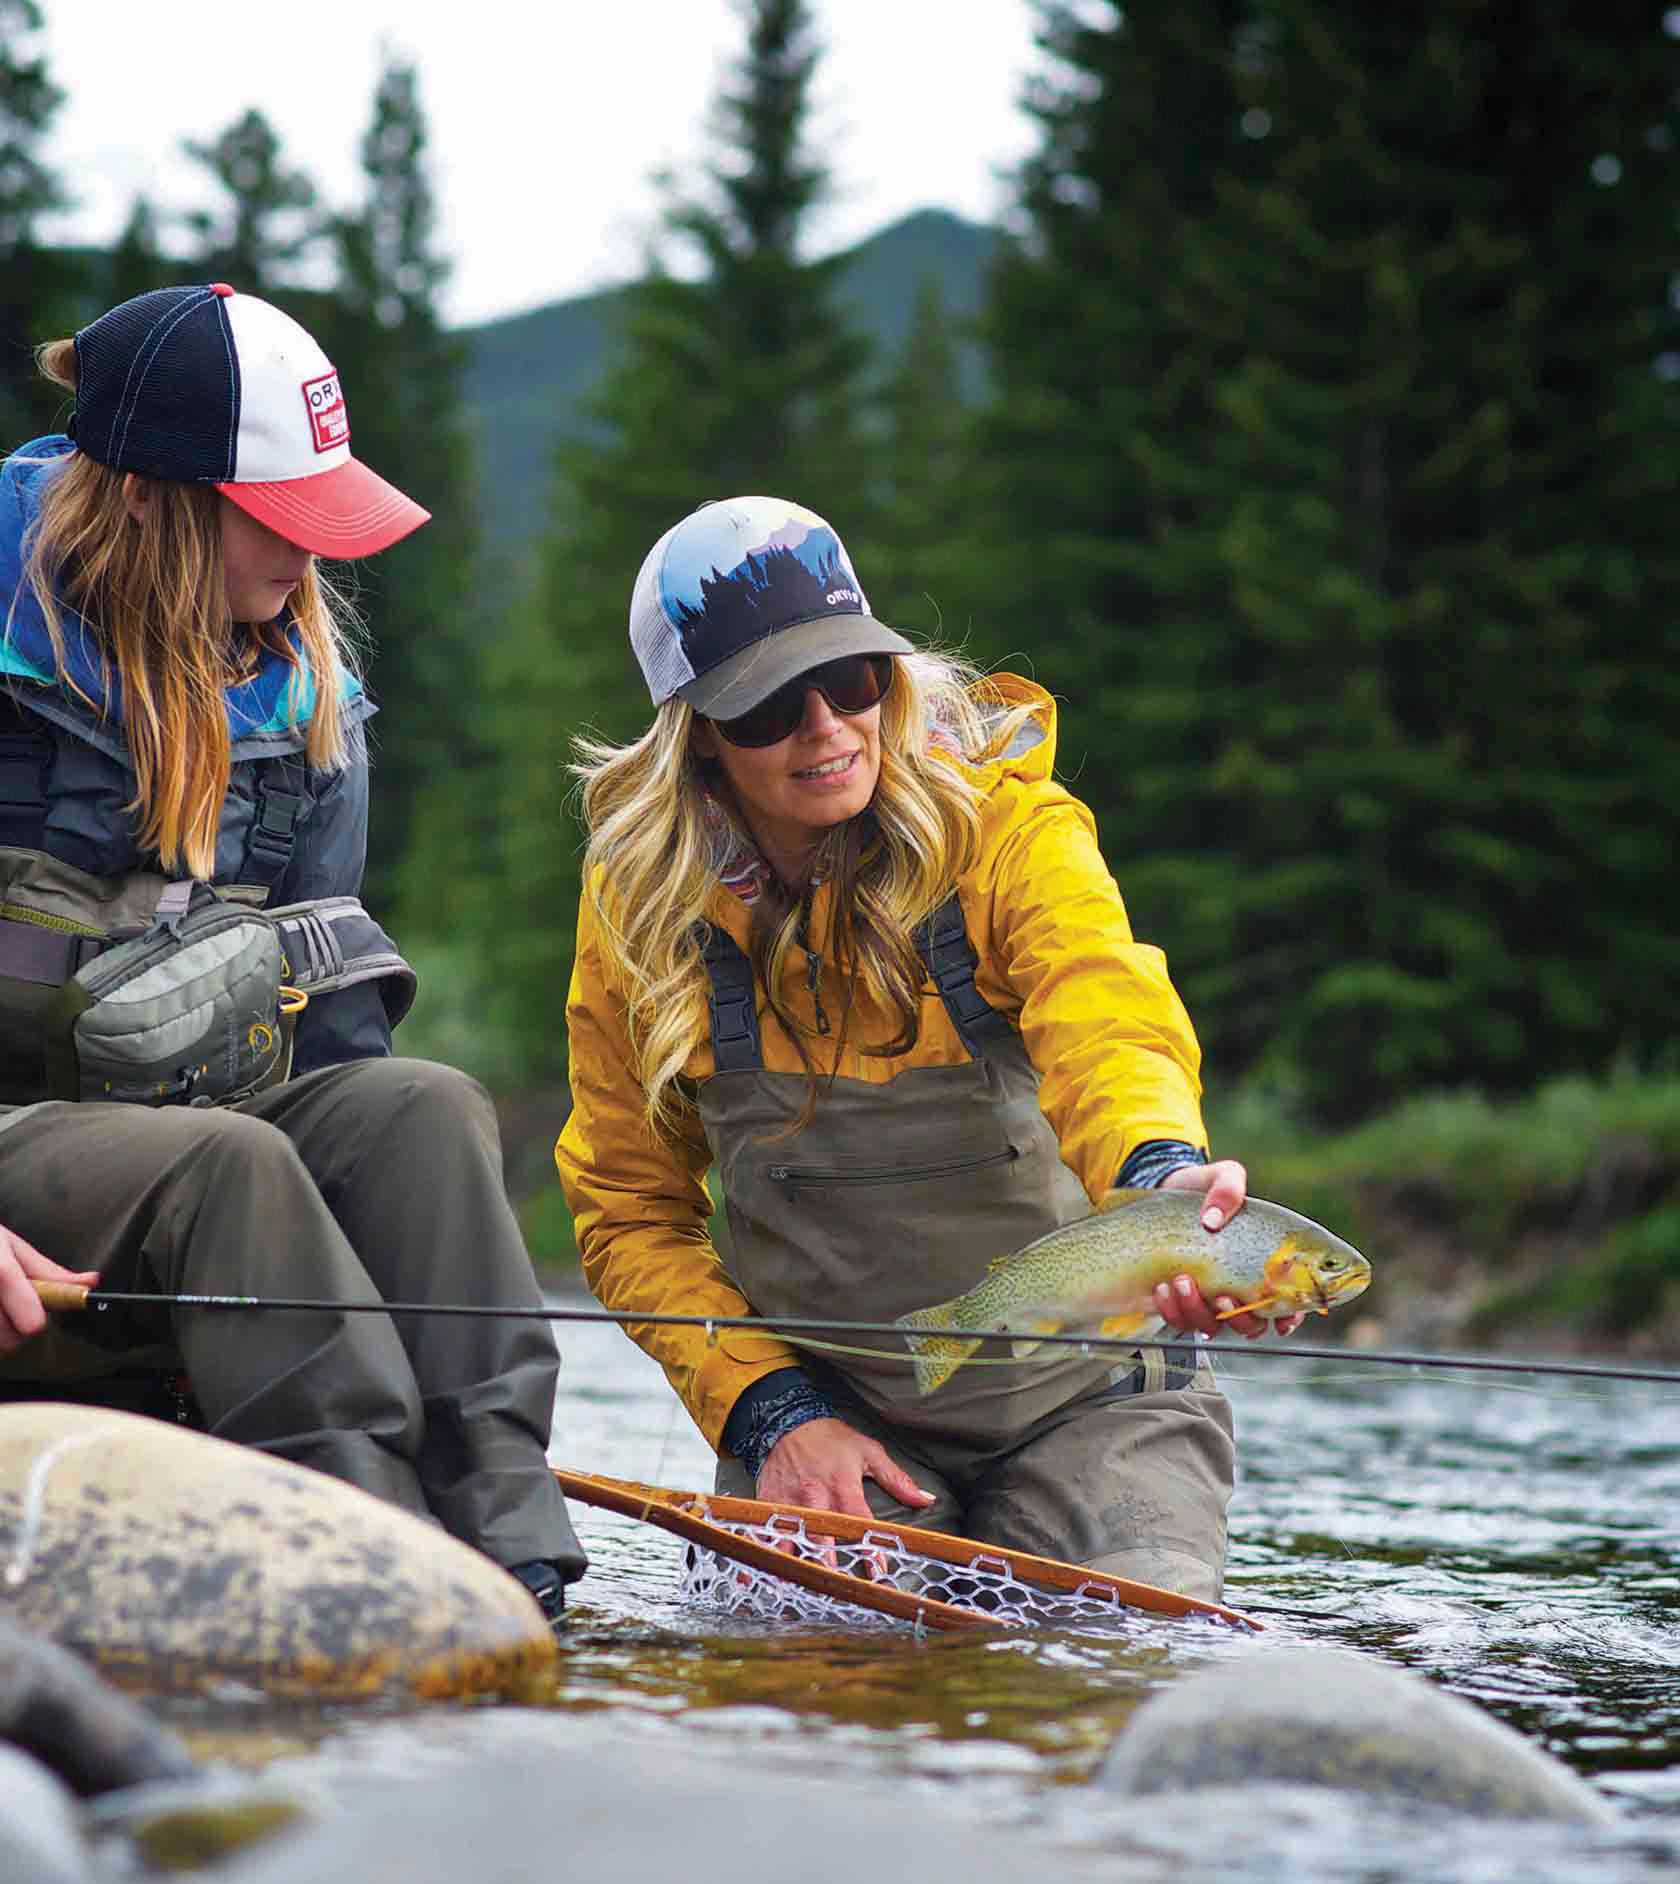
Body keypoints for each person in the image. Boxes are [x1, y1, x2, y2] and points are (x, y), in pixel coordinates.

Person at [0, 283, 583, 1616]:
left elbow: (326, 1023)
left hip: (196, 1162)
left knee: (424, 1109)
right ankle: (372, 1572)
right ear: (143, 493)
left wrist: (358, 1286)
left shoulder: (313, 709)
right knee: (230, 1164)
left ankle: (515, 1554)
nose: (312, 562)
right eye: (278, 523)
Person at [555, 497, 1305, 1597]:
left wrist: (1161, 1178)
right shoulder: (644, 905)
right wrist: (769, 1410)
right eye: (767, 704)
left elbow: (1105, 1009)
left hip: (1095, 1406)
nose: (826, 726)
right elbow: (627, 1209)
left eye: (851, 678)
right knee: (822, 1692)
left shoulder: (1005, 826)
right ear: (697, 736)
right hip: (827, 1418)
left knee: (1116, 1671)